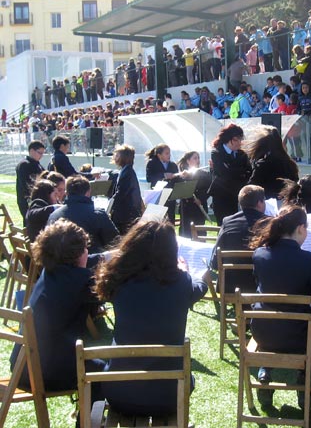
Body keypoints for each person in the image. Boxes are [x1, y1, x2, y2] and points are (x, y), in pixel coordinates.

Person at [94, 220, 207, 416]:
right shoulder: (182, 282)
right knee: (190, 379)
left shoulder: (118, 281)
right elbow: (200, 286)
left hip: (119, 393)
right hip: (170, 396)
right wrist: (186, 271)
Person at [10, 220, 106, 392]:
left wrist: (112, 255)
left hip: (22, 368)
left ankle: (84, 415)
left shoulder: (51, 270)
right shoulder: (79, 282)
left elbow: (89, 263)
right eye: (85, 248)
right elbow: (113, 287)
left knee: (95, 366)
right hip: (46, 374)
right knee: (106, 372)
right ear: (77, 254)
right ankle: (86, 419)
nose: (87, 252)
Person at [248, 206, 311, 406]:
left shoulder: (259, 255)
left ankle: (265, 370)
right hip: (300, 336)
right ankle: (304, 379)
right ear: (301, 228)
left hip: (263, 332)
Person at [210, 185, 266, 296]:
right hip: (259, 286)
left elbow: (215, 260)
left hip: (230, 285)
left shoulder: (227, 221)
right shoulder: (269, 223)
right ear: (259, 203)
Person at [48, 175, 119, 254]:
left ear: (66, 193)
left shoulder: (53, 216)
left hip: (59, 264)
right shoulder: (98, 214)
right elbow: (115, 242)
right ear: (88, 192)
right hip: (92, 263)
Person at [208, 124, 252, 225]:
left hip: (237, 195)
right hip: (222, 196)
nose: (240, 143)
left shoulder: (242, 154)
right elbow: (223, 173)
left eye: (241, 140)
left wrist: (232, 169)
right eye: (237, 140)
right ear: (229, 139)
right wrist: (240, 172)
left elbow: (249, 172)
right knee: (224, 226)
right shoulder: (217, 152)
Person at [246, 126, 299, 200]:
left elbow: (251, 187)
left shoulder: (263, 164)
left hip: (267, 205)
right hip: (287, 203)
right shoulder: (290, 163)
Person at [109, 145, 143, 235]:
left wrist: (109, 204)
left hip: (125, 216)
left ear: (124, 157)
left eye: (117, 155)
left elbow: (121, 192)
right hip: (128, 214)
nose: (114, 158)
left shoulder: (127, 172)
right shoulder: (127, 170)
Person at [176, 151, 212, 238]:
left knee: (200, 232)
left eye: (198, 158)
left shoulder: (204, 174)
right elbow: (180, 189)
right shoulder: (183, 174)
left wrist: (201, 199)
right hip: (186, 209)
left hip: (199, 206)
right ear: (188, 161)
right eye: (195, 158)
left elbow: (209, 188)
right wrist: (184, 177)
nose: (198, 160)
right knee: (186, 232)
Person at [145, 143, 180, 223]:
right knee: (158, 220)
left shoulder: (173, 165)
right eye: (166, 153)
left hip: (170, 196)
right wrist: (163, 175)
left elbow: (177, 179)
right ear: (159, 155)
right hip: (158, 195)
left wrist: (181, 175)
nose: (169, 155)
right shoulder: (152, 163)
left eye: (169, 153)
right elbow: (149, 178)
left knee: (170, 219)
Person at [16, 140, 45, 223]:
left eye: (43, 153)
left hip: (36, 198)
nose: (41, 156)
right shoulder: (24, 164)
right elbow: (27, 185)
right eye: (40, 153)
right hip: (28, 200)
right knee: (30, 223)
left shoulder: (37, 164)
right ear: (32, 151)